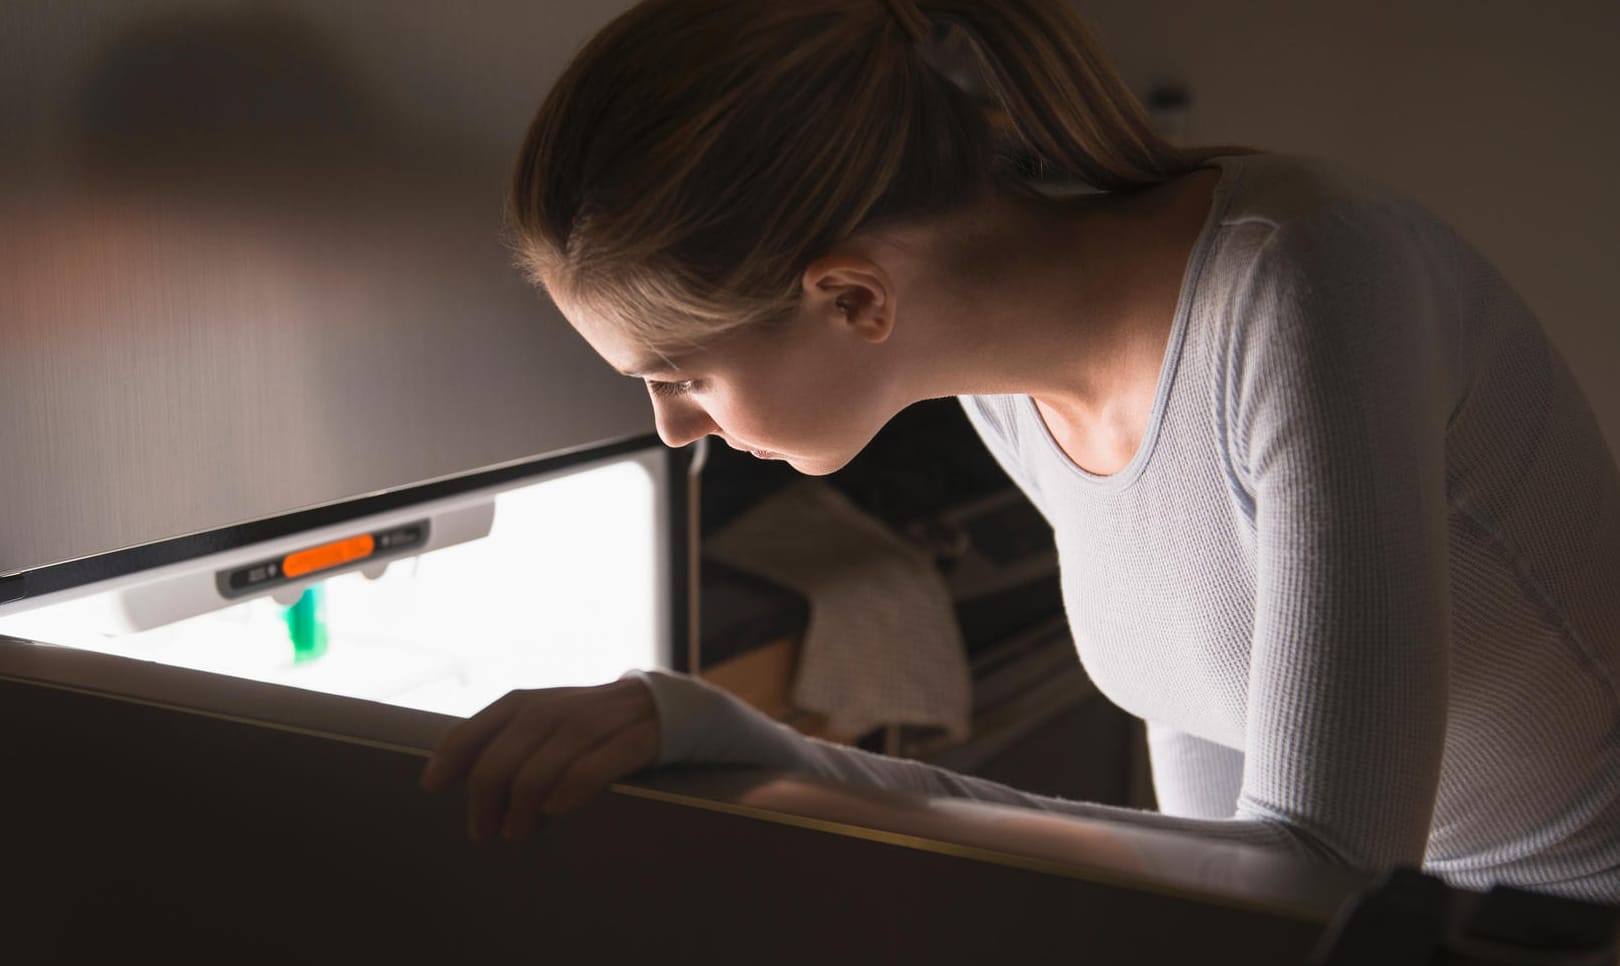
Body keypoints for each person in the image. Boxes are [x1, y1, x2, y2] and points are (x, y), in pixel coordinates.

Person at [421, 0, 1620, 916]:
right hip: (1410, 965)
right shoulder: (1009, 393)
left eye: (679, 373)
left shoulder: (1306, 288)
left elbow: (1321, 878)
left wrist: (749, 751)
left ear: (852, 297)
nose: (673, 427)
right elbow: (1227, 888)